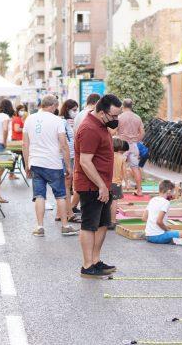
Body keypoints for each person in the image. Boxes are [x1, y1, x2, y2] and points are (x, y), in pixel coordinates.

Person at [74, 94, 123, 278]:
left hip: (103, 184)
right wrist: (101, 186)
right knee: (89, 225)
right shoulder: (89, 128)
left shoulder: (101, 125)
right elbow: (85, 161)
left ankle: (95, 261)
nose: (116, 120)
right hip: (91, 186)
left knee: (103, 224)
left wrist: (105, 185)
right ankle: (87, 266)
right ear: (102, 112)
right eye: (114, 116)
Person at [23, 95, 77, 237]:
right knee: (60, 195)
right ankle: (65, 226)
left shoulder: (29, 119)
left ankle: (40, 226)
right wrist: (68, 167)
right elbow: (64, 145)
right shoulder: (57, 121)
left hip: (35, 162)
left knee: (39, 195)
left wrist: (26, 164)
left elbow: (25, 145)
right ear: (53, 106)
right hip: (53, 163)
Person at [143, 180, 182, 245]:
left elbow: (144, 218)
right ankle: (178, 240)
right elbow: (159, 221)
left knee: (173, 233)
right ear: (169, 191)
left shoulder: (152, 200)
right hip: (158, 236)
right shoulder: (166, 202)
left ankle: (175, 240)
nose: (173, 193)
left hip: (148, 236)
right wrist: (166, 229)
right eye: (173, 191)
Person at [56, 99, 79, 220]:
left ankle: (59, 213)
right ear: (68, 109)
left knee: (64, 185)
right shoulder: (62, 122)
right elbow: (63, 142)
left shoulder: (66, 121)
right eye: (74, 110)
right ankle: (69, 213)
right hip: (65, 157)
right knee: (66, 186)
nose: (76, 112)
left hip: (68, 156)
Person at [117, 98, 145, 197]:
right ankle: (139, 190)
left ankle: (120, 189)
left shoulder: (119, 117)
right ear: (131, 106)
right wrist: (136, 140)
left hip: (121, 145)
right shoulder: (137, 117)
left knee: (119, 166)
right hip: (133, 145)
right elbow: (142, 133)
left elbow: (114, 130)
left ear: (122, 106)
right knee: (135, 168)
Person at [109, 138, 129, 229]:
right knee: (114, 202)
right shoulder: (122, 158)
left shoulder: (107, 156)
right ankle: (113, 221)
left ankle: (106, 219)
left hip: (106, 182)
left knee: (106, 202)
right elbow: (124, 171)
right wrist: (127, 182)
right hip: (116, 183)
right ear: (120, 147)